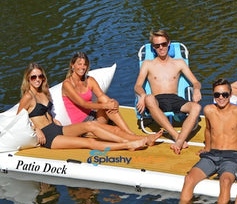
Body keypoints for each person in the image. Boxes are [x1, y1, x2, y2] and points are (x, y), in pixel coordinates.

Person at [165, 79, 237, 204]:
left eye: (224, 94)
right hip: (212, 155)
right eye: (217, 95)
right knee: (189, 179)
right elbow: (209, 130)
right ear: (213, 95)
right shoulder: (209, 110)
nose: (221, 98)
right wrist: (207, 148)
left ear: (230, 95)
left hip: (231, 156)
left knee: (225, 181)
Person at [19, 63, 161, 151]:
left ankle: (135, 139)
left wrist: (53, 119)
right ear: (28, 79)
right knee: (89, 142)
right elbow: (18, 119)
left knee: (90, 126)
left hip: (56, 128)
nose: (37, 80)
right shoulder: (28, 97)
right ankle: (128, 144)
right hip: (48, 137)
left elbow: (45, 112)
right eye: (33, 77)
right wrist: (36, 129)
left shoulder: (44, 93)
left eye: (40, 76)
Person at [134, 29, 202, 154]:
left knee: (196, 107)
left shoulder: (179, 63)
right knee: (149, 98)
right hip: (157, 100)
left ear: (169, 43)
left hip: (175, 99)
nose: (161, 48)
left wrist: (196, 89)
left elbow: (196, 82)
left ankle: (179, 140)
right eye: (157, 45)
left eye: (163, 44)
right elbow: (137, 86)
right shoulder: (147, 64)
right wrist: (143, 95)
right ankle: (177, 136)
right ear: (153, 47)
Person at [62, 52, 136, 138]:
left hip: (94, 117)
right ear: (72, 65)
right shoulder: (67, 84)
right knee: (115, 130)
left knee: (104, 99)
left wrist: (113, 102)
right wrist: (105, 105)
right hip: (82, 124)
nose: (82, 67)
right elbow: (84, 104)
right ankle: (130, 135)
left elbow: (101, 96)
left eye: (85, 65)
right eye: (79, 64)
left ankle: (129, 132)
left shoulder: (90, 80)